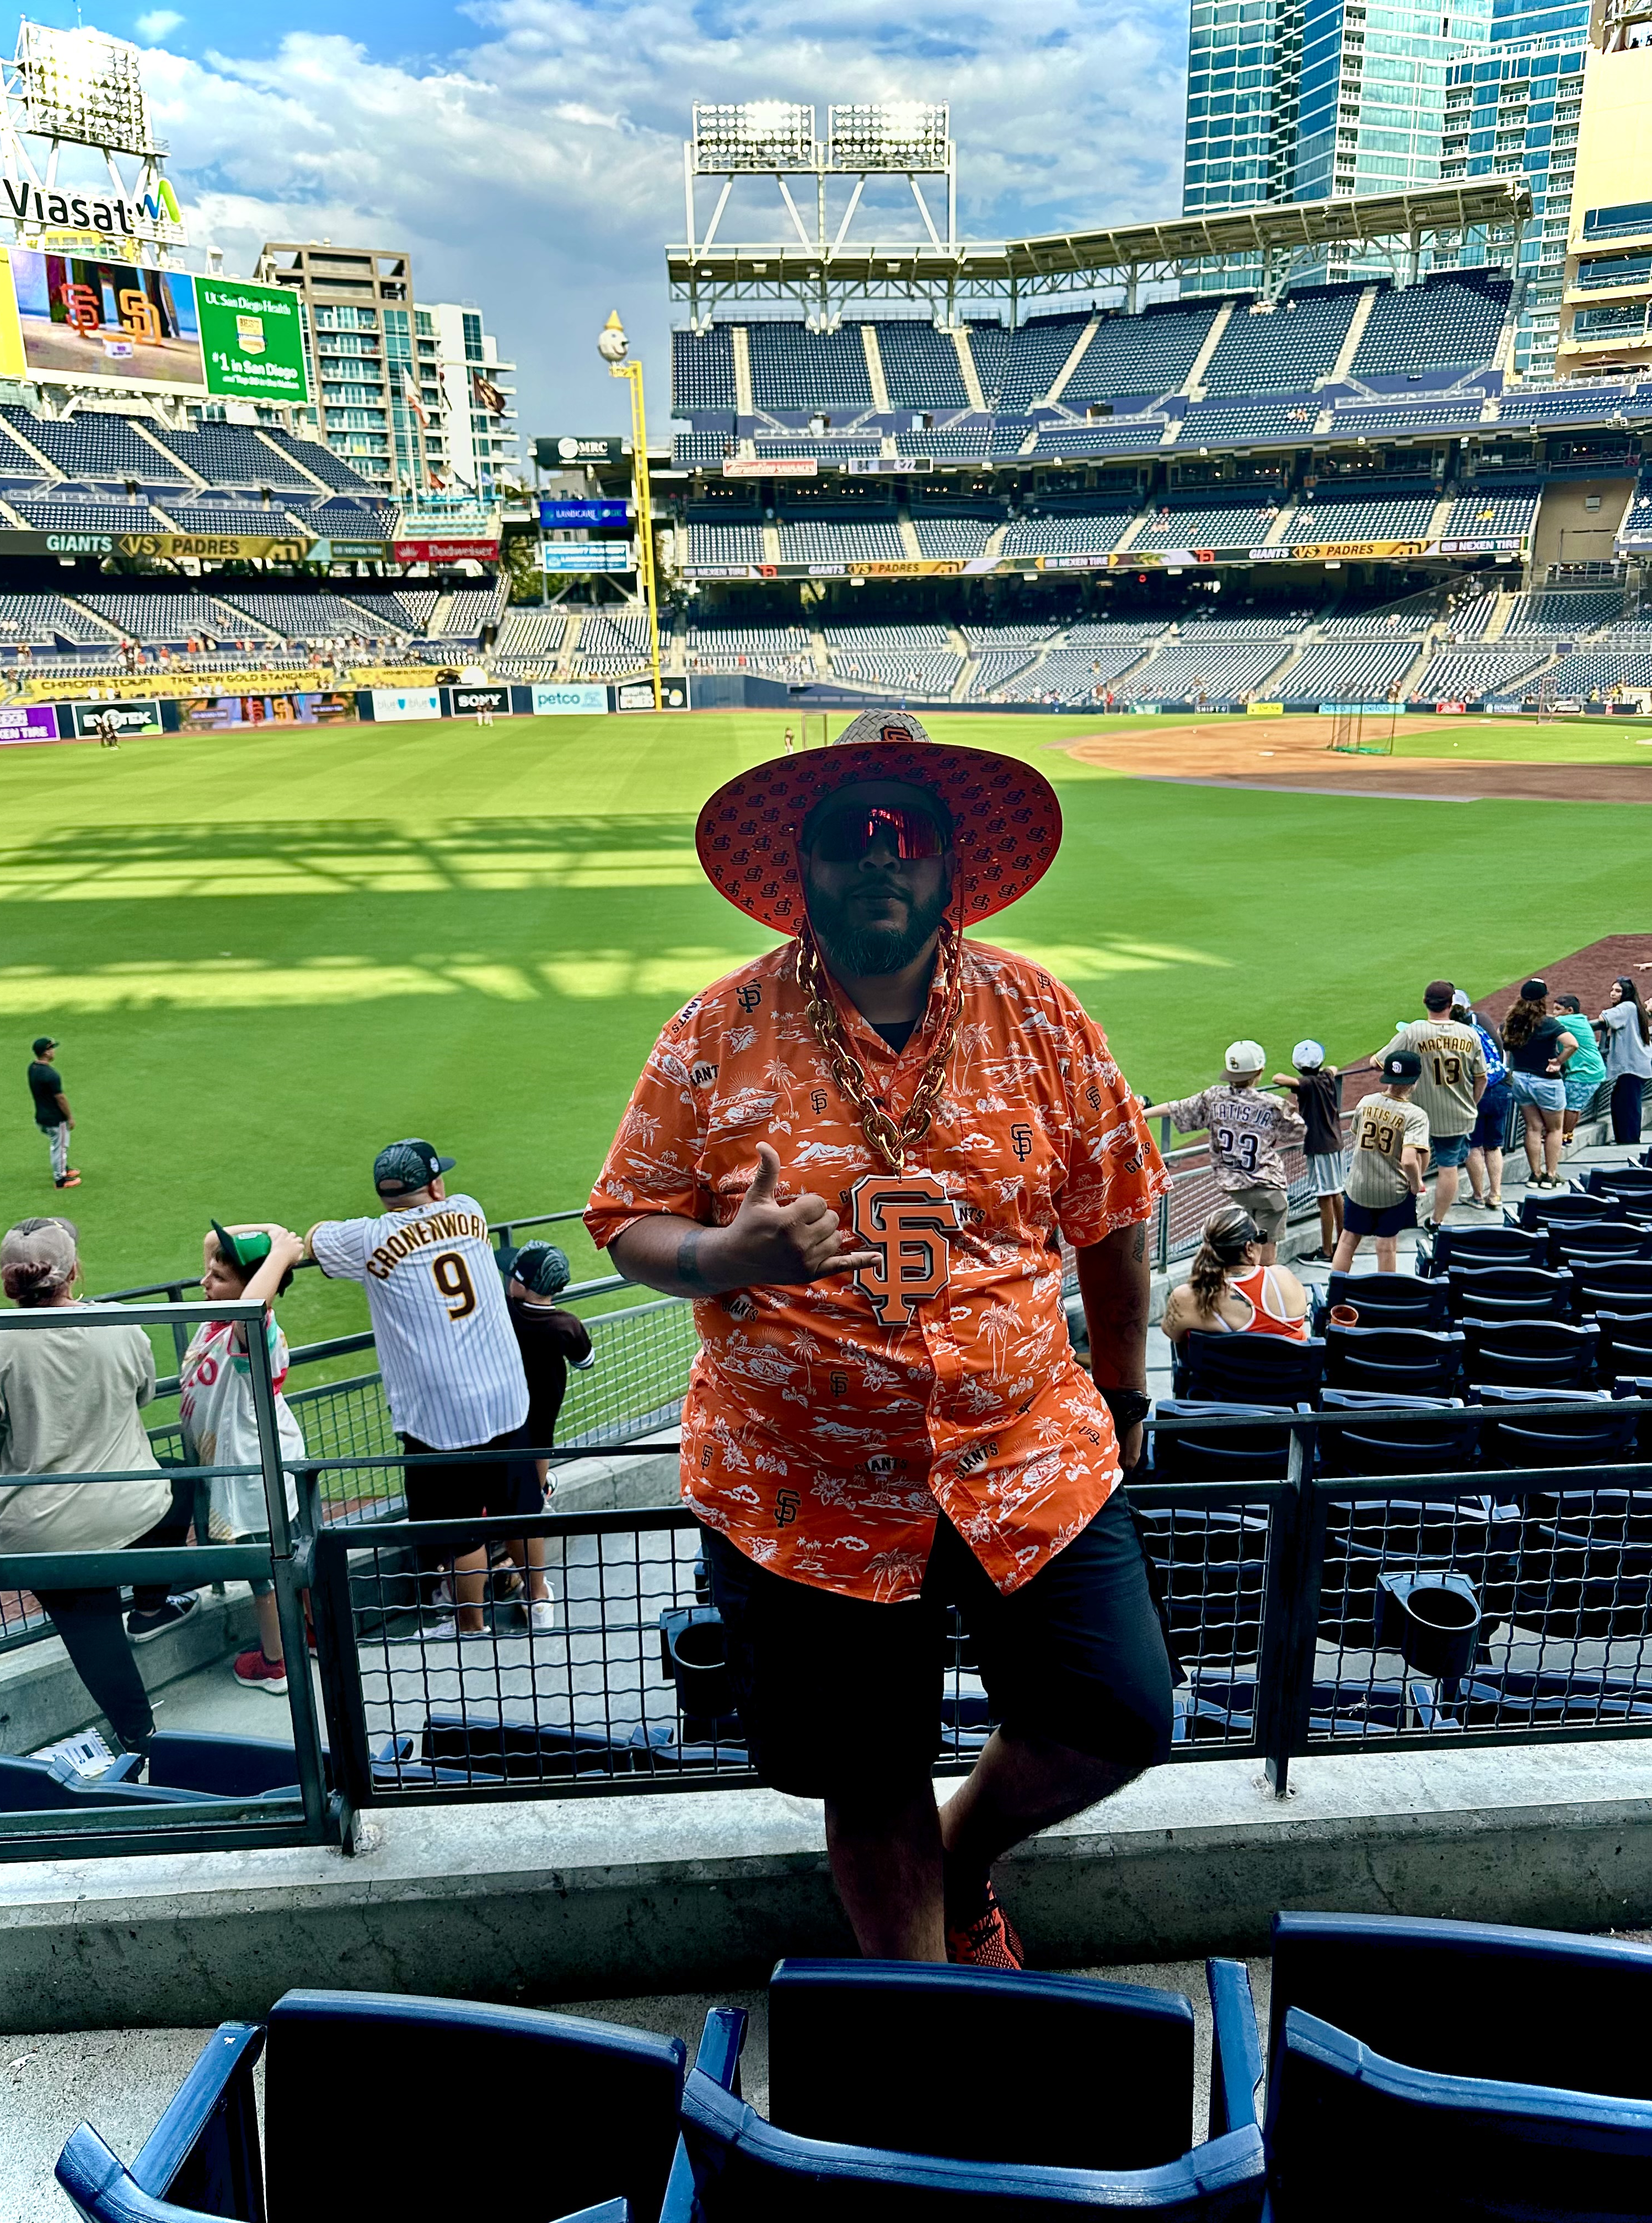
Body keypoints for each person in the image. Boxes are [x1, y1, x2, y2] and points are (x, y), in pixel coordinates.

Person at [586, 706, 1173, 1968]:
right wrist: (720, 1256)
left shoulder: (1040, 1017)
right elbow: (626, 1214)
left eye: (907, 839)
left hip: (1029, 1454)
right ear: (802, 866)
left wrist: (1122, 1390)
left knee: (1120, 1711)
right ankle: (927, 2041)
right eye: (851, 837)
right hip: (809, 1488)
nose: (880, 860)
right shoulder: (715, 1031)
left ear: (951, 862)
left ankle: (962, 1870)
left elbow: (1119, 1205)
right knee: (869, 1773)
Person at [0, 1219, 195, 1756]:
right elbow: (144, 1392)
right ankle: (150, 1606)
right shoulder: (118, 1324)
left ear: (10, 1282)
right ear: (73, 1271)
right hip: (134, 1509)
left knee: (90, 1622)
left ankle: (138, 1737)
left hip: (39, 1532)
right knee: (181, 1480)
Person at [303, 1140, 527, 1639]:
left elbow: (312, 1240)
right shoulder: (470, 1209)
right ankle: (540, 1599)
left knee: (461, 1524)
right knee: (518, 1507)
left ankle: (469, 1626)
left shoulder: (366, 1237)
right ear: (434, 1185)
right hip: (507, 1392)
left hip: (442, 1411)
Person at [179, 1222, 307, 1694]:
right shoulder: (224, 1316)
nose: (204, 1281)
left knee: (266, 1573)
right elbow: (214, 1241)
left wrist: (277, 1257)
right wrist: (277, 1237)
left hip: (255, 1469)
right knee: (287, 1557)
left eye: (218, 1277)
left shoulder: (250, 1328)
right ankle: (308, 1635)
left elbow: (254, 1303)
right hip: (248, 1459)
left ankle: (277, 1664)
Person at [488, 1239, 595, 1629]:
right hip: (545, 1407)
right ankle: (540, 1493)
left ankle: (530, 1506)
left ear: (521, 1284)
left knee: (513, 1474)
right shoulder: (566, 1325)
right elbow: (586, 1359)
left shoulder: (503, 1311)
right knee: (540, 1450)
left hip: (506, 1412)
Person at [1147, 1042, 1305, 1263]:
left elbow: (1175, 1108)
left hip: (1235, 1188)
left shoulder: (1214, 1098)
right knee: (1266, 1258)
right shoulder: (1272, 1104)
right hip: (1269, 1190)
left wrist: (1142, 1113)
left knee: (1244, 1248)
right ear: (1259, 1073)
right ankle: (1264, 1294)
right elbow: (1299, 1130)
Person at [1376, 981, 1485, 1230]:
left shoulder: (1415, 1031)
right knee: (1449, 1167)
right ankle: (1437, 1221)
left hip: (1418, 1114)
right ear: (1451, 1005)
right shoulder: (1470, 1034)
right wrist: (1472, 1103)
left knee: (1408, 1161)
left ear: (1425, 1002)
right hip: (1458, 1115)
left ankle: (1402, 1214)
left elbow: (1380, 1060)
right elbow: (1482, 1078)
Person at [1333, 1049, 1430, 1274]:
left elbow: (1358, 1135)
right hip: (1392, 1192)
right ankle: (1384, 1299)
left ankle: (1335, 1296)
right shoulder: (1415, 1115)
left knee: (1347, 1241)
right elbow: (1408, 1160)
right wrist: (1416, 1185)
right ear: (1414, 1080)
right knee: (1387, 1246)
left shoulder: (1366, 1102)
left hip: (1359, 1186)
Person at [1160, 1204, 1310, 1344]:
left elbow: (1174, 1335)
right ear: (1249, 1248)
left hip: (1221, 1373)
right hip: (1293, 1372)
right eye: (1260, 1238)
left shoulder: (1187, 1298)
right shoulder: (1284, 1278)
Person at [1270, 1040, 1343, 1261]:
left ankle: (1328, 1251)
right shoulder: (1326, 1077)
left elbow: (1278, 1078)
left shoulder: (1309, 1084)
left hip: (1320, 1146)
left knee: (1325, 1198)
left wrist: (1301, 1079)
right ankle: (1343, 1244)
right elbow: (1333, 1068)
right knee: (1336, 1194)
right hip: (1335, 1142)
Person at [1503, 980, 1579, 1189]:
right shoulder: (1549, 1023)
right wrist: (1558, 1062)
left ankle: (1535, 1174)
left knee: (1533, 1128)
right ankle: (1551, 1175)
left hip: (1520, 1078)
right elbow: (1572, 1044)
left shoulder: (1512, 1021)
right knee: (1555, 1130)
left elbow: (1505, 1043)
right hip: (1546, 1082)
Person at [1455, 994, 1510, 1211]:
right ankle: (1495, 1194)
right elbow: (1499, 1048)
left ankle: (1478, 1196)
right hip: (1500, 1086)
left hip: (1475, 1092)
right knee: (1494, 1145)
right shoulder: (1481, 1020)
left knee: (1473, 1146)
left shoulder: (1452, 1033)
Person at [1597, 975, 1652, 1145]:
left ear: (1626, 993)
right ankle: (1626, 1138)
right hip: (1637, 1063)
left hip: (1632, 1065)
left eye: (1618, 991)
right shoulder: (1635, 1007)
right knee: (1624, 1101)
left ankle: (1628, 1140)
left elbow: (1603, 1019)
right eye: (1612, 990)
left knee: (1626, 1104)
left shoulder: (1627, 1007)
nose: (1613, 994)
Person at [1552, 995, 1609, 1143]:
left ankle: (1564, 1137)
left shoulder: (1565, 1021)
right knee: (1574, 1106)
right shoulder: (1580, 1019)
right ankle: (1568, 1135)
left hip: (1584, 1072)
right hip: (1592, 1071)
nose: (1555, 1013)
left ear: (1570, 1010)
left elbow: (1546, 1022)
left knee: (1571, 1107)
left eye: (1558, 1009)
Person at [28, 1036, 79, 1191]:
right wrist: (70, 1117)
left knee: (57, 1145)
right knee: (60, 1147)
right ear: (46, 1053)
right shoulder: (51, 1075)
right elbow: (60, 1098)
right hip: (55, 1120)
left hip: (41, 1118)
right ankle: (61, 1180)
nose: (54, 1051)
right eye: (51, 1049)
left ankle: (64, 1167)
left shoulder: (33, 1068)